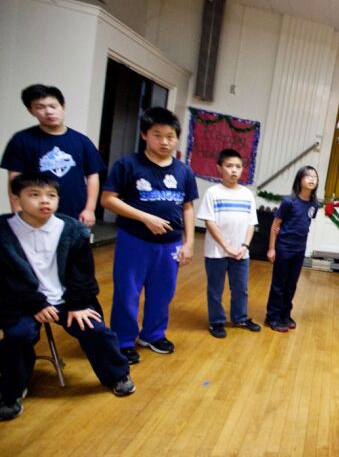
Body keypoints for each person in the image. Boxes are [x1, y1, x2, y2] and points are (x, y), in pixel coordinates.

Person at [0, 174, 134, 421]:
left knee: (95, 329)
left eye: (51, 196)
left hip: (67, 299)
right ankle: (12, 390)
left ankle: (117, 374)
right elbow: (5, 279)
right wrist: (35, 303)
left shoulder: (72, 229)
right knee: (18, 336)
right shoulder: (3, 231)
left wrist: (79, 304)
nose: (44, 201)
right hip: (21, 301)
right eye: (34, 194)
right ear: (16, 198)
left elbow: (82, 273)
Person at [100, 107, 198, 364]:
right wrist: (145, 217)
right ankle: (123, 339)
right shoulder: (128, 165)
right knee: (127, 290)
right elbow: (108, 199)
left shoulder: (184, 171)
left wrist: (189, 242)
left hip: (170, 244)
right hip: (135, 240)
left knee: (163, 292)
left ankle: (153, 335)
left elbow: (188, 206)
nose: (164, 141)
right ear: (145, 135)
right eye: (157, 135)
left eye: (170, 136)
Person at [1, 84, 105, 226]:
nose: (48, 112)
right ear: (31, 111)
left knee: (75, 248)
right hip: (34, 213)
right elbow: (14, 178)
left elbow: (93, 176)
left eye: (53, 106)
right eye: (40, 107)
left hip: (75, 212)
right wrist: (17, 211)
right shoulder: (21, 140)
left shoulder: (82, 141)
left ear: (63, 107)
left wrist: (90, 209)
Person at [197, 148, 261, 338]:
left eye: (238, 166)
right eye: (229, 166)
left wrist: (245, 246)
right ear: (219, 168)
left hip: (241, 252)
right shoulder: (212, 193)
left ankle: (240, 317)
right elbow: (209, 222)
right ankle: (216, 321)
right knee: (215, 289)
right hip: (216, 252)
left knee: (241, 288)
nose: (234, 170)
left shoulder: (247, 194)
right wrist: (226, 246)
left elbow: (251, 223)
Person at [264, 166, 319, 332]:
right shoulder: (289, 201)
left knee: (291, 284)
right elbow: (275, 225)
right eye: (308, 176)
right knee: (279, 284)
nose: (312, 179)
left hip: (299, 249)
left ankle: (284, 314)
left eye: (315, 177)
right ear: (299, 179)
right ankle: (272, 317)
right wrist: (272, 248)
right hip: (284, 248)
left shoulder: (314, 204)